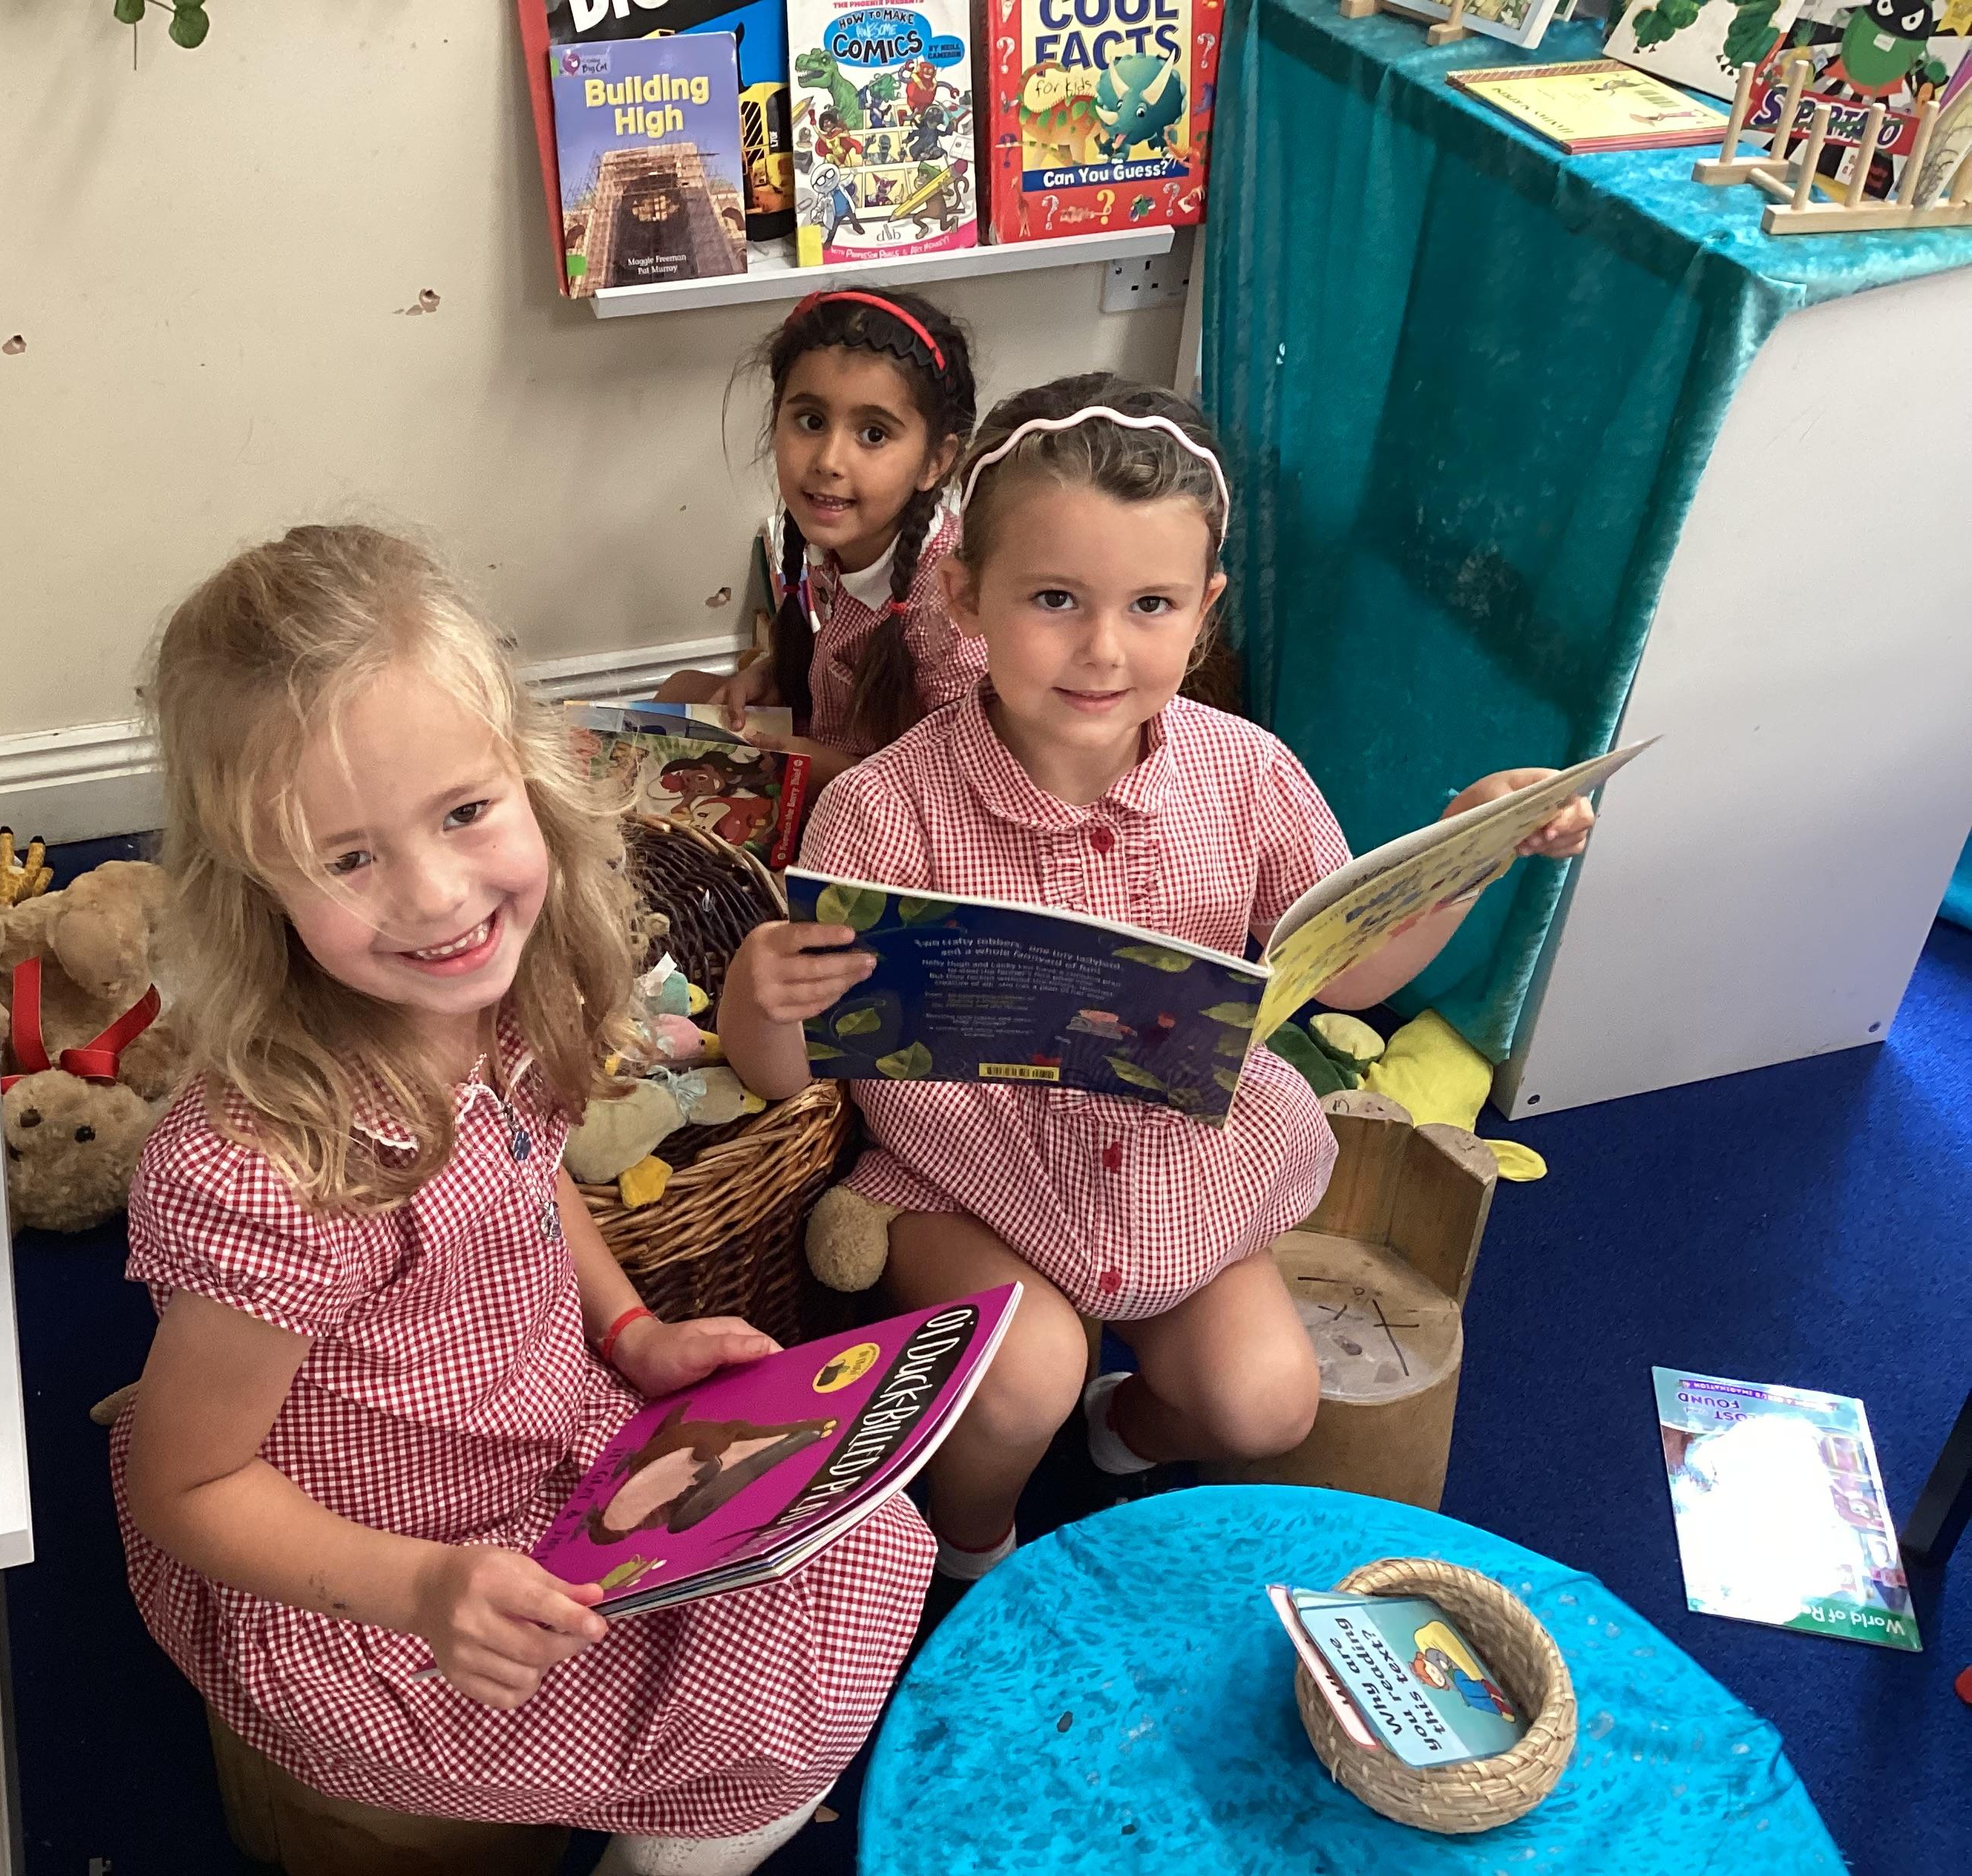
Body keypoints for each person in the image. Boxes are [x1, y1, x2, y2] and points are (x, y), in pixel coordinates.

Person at [116, 524, 931, 1872]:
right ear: (253, 886)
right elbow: (186, 1480)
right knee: (756, 1696)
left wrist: (629, 1332)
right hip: (375, 1573)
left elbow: (529, 1169)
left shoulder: (499, 1000)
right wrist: (423, 1586)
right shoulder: (267, 1169)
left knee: (860, 1536)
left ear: (529, 775)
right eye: (347, 858)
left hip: (548, 1440)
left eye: (463, 812)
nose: (438, 897)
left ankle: (682, 1821)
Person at [720, 378, 1594, 1582]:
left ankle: (1118, 1435)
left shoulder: (1249, 773)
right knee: (1025, 1376)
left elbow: (1349, 983)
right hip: (966, 1186)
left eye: (1151, 605)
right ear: (965, 597)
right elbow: (788, 1078)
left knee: (1265, 1403)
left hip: (1178, 1180)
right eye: (1054, 599)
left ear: (1205, 610)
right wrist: (759, 995)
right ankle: (972, 1556)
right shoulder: (882, 809)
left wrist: (1460, 861)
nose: (1103, 650)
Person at [656, 287, 977, 785]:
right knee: (679, 692)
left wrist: (817, 767)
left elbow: (952, 789)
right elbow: (834, 657)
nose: (829, 461)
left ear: (935, 462)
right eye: (811, 422)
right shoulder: (841, 538)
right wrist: (770, 674)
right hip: (832, 738)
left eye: (873, 435)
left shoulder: (950, 614)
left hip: (887, 799)